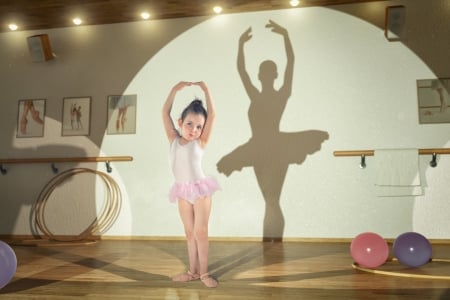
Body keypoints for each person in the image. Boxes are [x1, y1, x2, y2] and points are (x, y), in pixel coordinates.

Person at [162, 81, 220, 288]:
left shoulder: (200, 142)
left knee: (200, 232)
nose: (194, 130)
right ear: (180, 122)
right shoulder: (173, 139)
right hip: (182, 191)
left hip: (201, 191)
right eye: (189, 124)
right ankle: (192, 271)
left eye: (198, 127)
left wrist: (206, 90)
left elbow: (212, 115)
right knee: (189, 233)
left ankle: (204, 273)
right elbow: (164, 112)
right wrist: (174, 90)